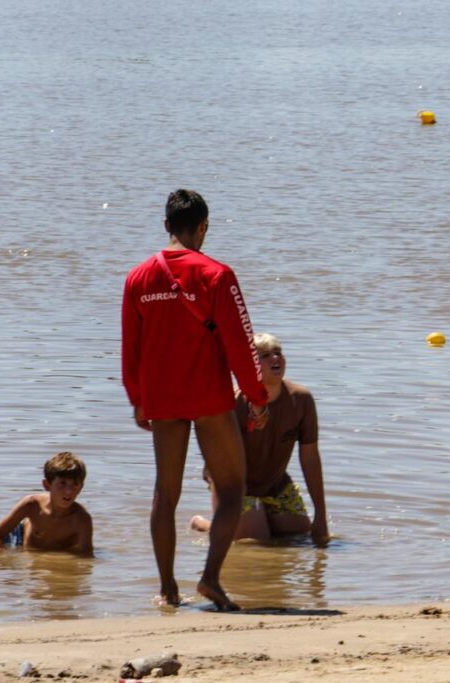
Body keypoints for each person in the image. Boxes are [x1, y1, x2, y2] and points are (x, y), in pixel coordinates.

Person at [121, 189, 269, 611]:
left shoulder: (138, 277)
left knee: (164, 494)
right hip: (208, 395)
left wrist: (137, 398)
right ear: (203, 227)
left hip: (162, 398)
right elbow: (241, 342)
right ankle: (209, 579)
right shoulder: (218, 275)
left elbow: (130, 346)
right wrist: (256, 397)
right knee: (231, 488)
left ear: (166, 225)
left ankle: (168, 589)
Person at [191, 333, 329, 545]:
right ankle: (206, 524)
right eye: (265, 355)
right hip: (234, 483)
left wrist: (320, 512)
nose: (275, 358)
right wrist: (228, 495)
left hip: (275, 482)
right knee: (255, 540)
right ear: (250, 365)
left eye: (278, 353)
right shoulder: (235, 403)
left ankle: (256, 516)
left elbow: (310, 456)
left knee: (299, 536)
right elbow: (216, 457)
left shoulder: (301, 400)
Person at [0, 451, 93, 556]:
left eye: (75, 485)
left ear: (81, 487)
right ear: (47, 485)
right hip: (16, 532)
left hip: (28, 540)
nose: (69, 491)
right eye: (62, 483)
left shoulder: (82, 520)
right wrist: (7, 559)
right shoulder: (31, 504)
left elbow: (85, 558)